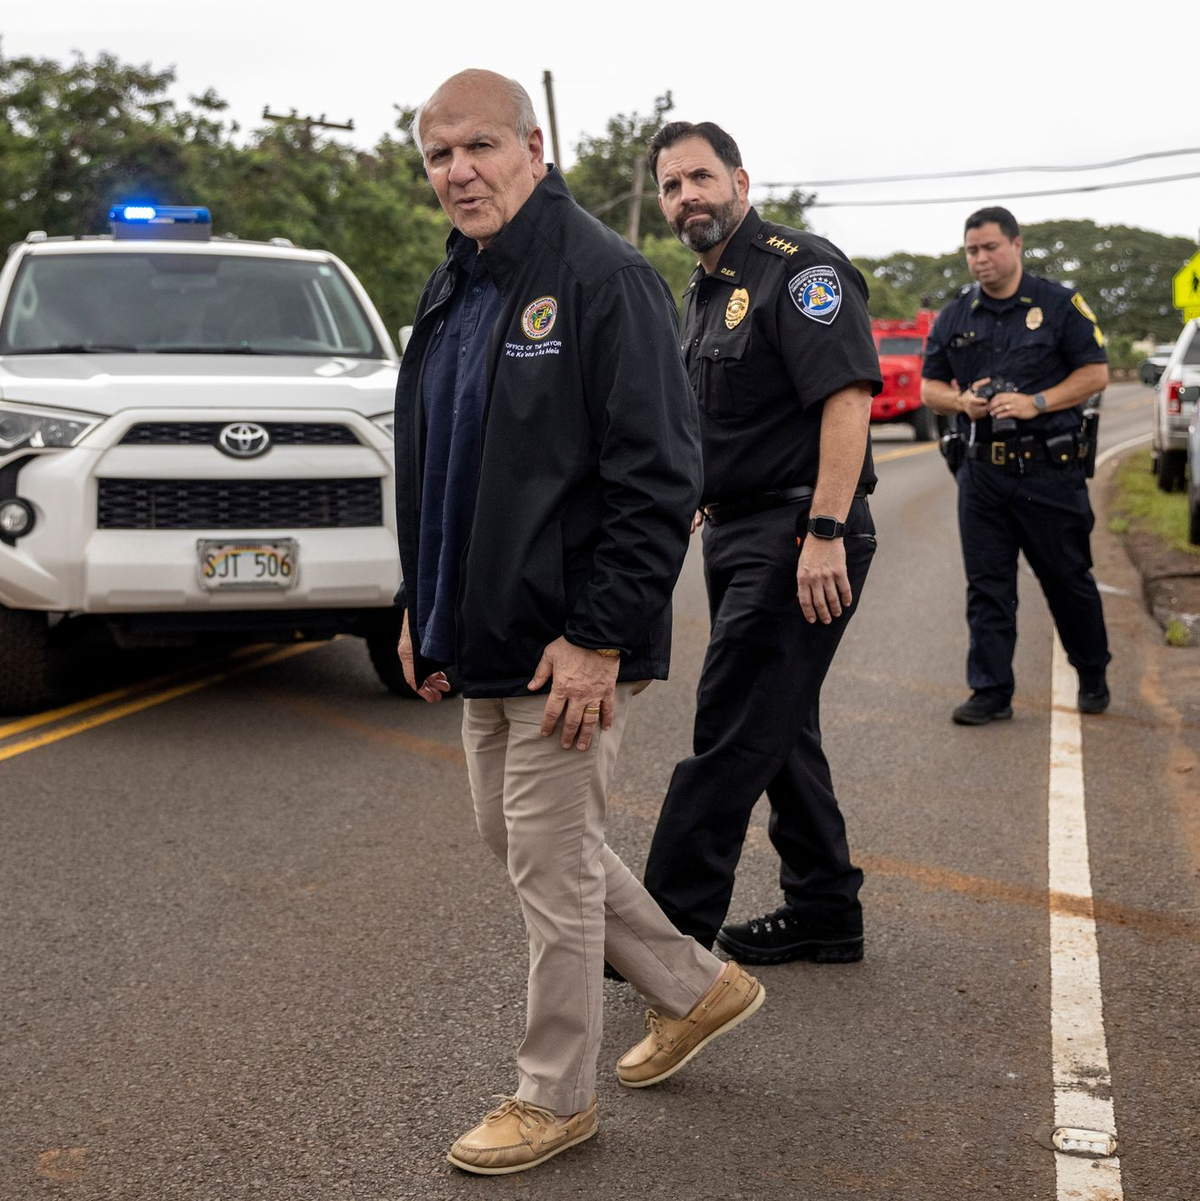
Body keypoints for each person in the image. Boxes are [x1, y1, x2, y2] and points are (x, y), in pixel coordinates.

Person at [393, 73, 764, 1177]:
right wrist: (423, 602)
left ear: (533, 145)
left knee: (552, 868)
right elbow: (439, 463)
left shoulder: (602, 277)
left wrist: (601, 634)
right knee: (516, 842)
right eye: (437, 155)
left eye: (478, 147)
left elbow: (660, 475)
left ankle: (552, 1095)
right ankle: (700, 988)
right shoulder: (453, 287)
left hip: (571, 642)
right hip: (482, 628)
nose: (458, 171)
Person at [640, 121, 881, 969]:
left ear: (740, 178)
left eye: (700, 178)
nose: (686, 198)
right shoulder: (699, 293)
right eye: (671, 187)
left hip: (798, 531)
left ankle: (663, 935)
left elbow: (845, 398)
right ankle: (824, 909)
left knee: (733, 722)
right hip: (739, 527)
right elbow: (718, 416)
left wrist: (823, 531)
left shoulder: (799, 268)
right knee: (781, 724)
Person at [920, 206, 1111, 725]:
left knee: (1067, 579)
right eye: (971, 251)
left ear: (1016, 245)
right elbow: (929, 388)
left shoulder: (1058, 303)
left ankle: (1092, 670)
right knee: (987, 587)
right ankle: (991, 690)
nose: (980, 259)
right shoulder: (955, 315)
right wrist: (962, 404)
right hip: (982, 474)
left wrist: (1037, 402)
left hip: (1048, 470)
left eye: (989, 248)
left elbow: (1095, 374)